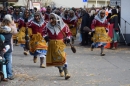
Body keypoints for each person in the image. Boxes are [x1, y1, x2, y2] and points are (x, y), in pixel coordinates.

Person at [43, 13, 71, 80]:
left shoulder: (64, 26)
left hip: (60, 44)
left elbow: (68, 33)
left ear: (57, 19)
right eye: (50, 19)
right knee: (55, 59)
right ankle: (60, 69)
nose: (51, 20)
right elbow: (43, 32)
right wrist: (45, 37)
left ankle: (66, 73)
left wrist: (68, 38)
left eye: (53, 19)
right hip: (51, 44)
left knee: (62, 56)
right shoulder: (47, 26)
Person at [0, 14, 17, 80]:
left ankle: (3, 75)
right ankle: (9, 75)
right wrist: (13, 24)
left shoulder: (0, 28)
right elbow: (15, 32)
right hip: (8, 47)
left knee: (1, 61)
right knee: (8, 61)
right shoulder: (11, 29)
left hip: (1, 47)